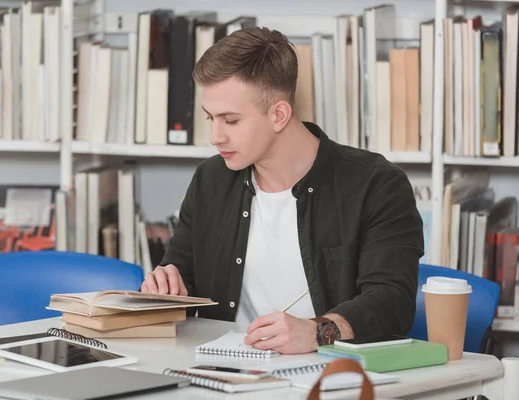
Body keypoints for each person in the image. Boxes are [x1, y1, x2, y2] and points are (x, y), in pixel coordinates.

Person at [140, 27, 424, 355]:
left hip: (329, 375)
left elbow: (393, 304)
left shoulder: (377, 185)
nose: (215, 136)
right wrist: (163, 290)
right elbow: (179, 280)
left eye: (230, 121)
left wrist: (319, 332)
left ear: (279, 115)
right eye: (210, 119)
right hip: (221, 371)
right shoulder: (210, 180)